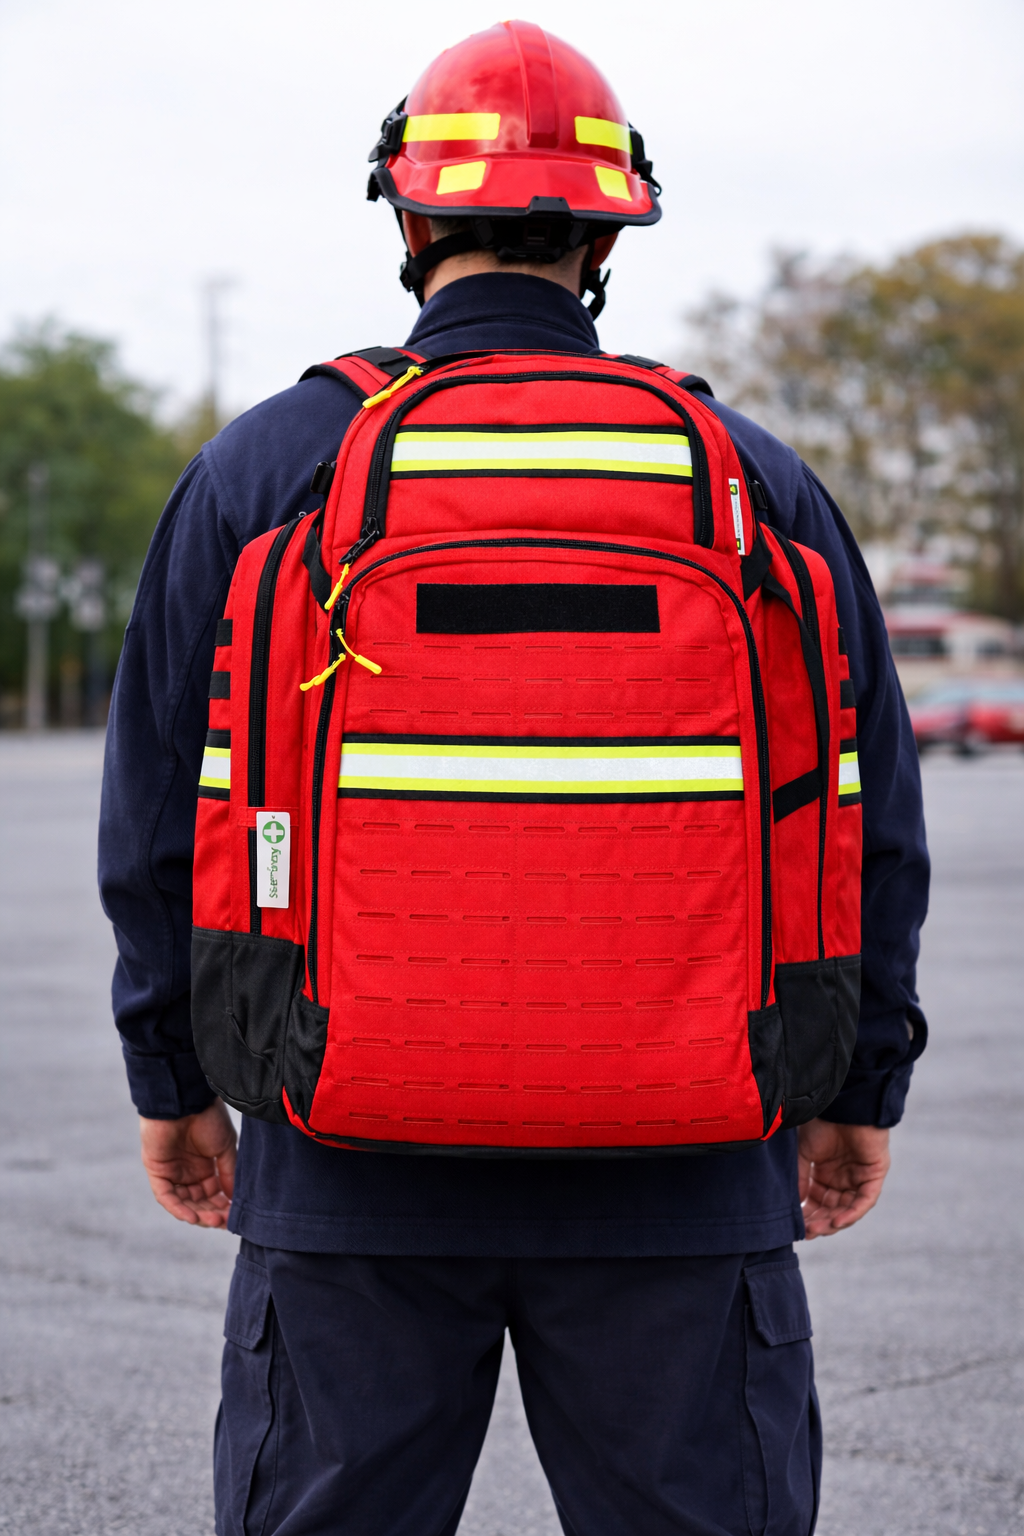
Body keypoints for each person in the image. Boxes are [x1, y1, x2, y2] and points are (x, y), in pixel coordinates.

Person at [99, 21, 928, 1536]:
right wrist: (859, 1078)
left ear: (409, 217)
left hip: (346, 1157)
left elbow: (159, 811)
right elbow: (866, 810)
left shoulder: (272, 468)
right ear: (607, 231)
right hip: (688, 1170)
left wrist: (173, 1078)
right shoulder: (748, 478)